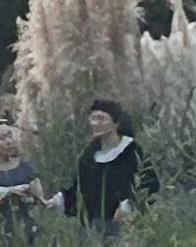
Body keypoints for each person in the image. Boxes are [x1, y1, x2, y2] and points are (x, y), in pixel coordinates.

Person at [63, 98, 157, 237]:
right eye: (93, 118)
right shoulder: (89, 154)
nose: (95, 123)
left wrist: (128, 206)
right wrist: (59, 199)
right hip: (91, 227)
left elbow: (149, 184)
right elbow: (79, 188)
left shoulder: (131, 151)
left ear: (116, 123)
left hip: (125, 227)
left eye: (101, 119)